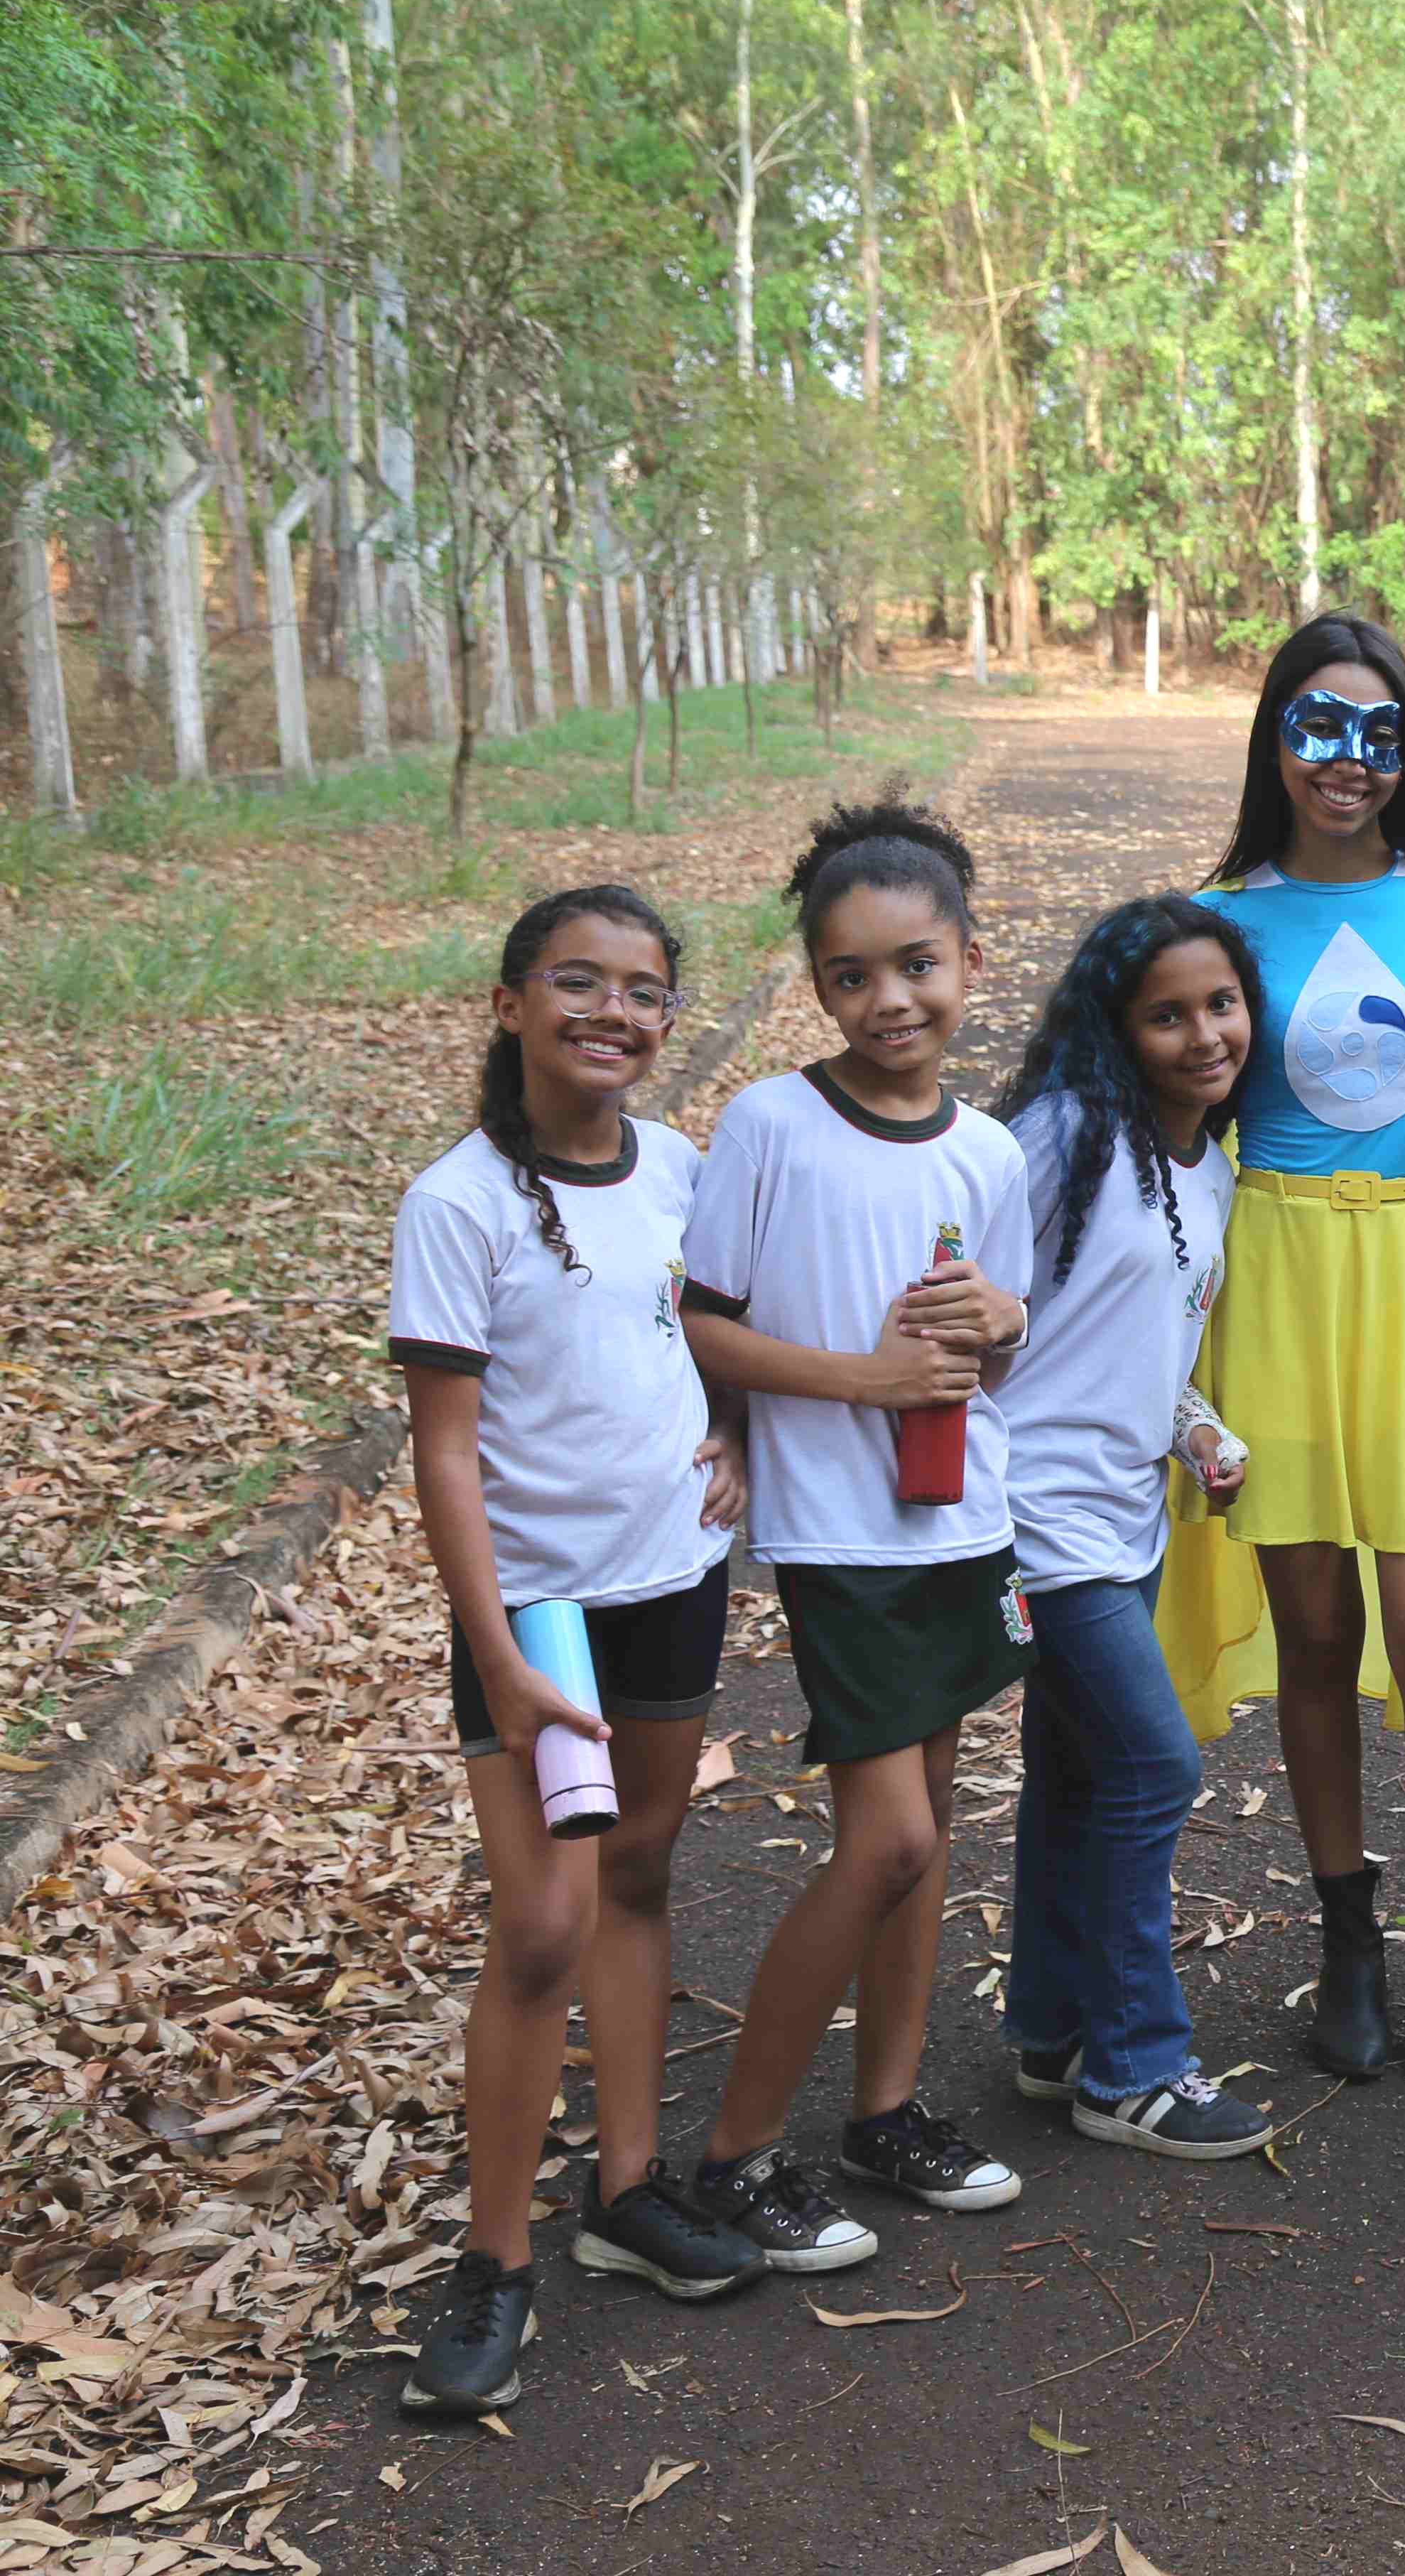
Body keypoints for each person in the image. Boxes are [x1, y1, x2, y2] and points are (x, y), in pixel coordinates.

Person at [390, 887, 764, 2415]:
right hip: (537, 1611)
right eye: (579, 982)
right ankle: (494, 2261)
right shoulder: (458, 1201)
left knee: (642, 1874)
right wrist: (496, 1655)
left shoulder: (676, 1167)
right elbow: (445, 1450)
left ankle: (626, 2192)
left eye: (645, 990)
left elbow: (710, 1333)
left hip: (672, 1576)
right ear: (511, 1003)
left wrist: (735, 1427)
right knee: (544, 1921)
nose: (615, 1013)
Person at [681, 803, 1037, 2269]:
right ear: (818, 986)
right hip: (840, 1532)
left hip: (962, 1517)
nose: (890, 1000)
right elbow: (703, 1322)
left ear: (969, 961)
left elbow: (997, 1342)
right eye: (852, 975)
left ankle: (886, 2112)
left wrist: (1004, 1322)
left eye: (917, 965)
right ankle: (732, 2156)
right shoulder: (772, 1125)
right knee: (885, 1838)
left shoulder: (991, 1151)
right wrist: (858, 1384)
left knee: (926, 1833)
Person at [1180, 615, 1405, 2093]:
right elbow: (1168, 1112)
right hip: (1274, 1279)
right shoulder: (1214, 919)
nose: (1350, 761)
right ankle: (1347, 1939)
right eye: (1319, 726)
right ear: (1273, 737)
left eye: (1382, 735)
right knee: (1314, 1637)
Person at [989, 895, 1281, 2158]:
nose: (1205, 1035)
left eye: (1222, 1005)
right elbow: (977, 1313)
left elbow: (1125, 1347)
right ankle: (1135, 2068)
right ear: (1116, 1029)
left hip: (1127, 1513)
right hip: (1036, 1519)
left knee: (1078, 1776)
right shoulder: (1063, 1136)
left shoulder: (1209, 1164)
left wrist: (1197, 1429)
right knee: (1155, 1767)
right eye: (1168, 1015)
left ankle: (1055, 2031)